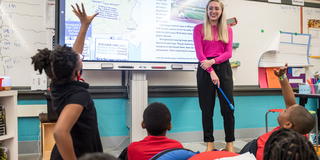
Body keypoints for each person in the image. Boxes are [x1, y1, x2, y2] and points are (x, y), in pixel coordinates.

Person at [31, 4, 102, 160]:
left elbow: (75, 54)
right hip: (78, 154)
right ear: (76, 72)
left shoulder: (57, 83)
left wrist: (84, 26)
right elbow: (60, 132)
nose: (80, 56)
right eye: (79, 59)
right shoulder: (79, 95)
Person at [240, 64, 315, 160]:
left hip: (253, 149)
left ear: (287, 124)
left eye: (285, 111)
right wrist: (282, 77)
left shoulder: (271, 149)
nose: (283, 109)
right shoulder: (300, 131)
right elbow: (290, 102)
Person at [193, 0, 235, 152]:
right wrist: (211, 71)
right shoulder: (198, 28)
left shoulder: (227, 29)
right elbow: (199, 54)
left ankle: (229, 143)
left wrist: (213, 63)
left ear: (221, 11)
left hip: (223, 69)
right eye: (210, 8)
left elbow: (228, 53)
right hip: (205, 70)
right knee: (207, 109)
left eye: (216, 8)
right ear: (207, 11)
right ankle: (209, 143)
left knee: (228, 109)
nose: (213, 11)